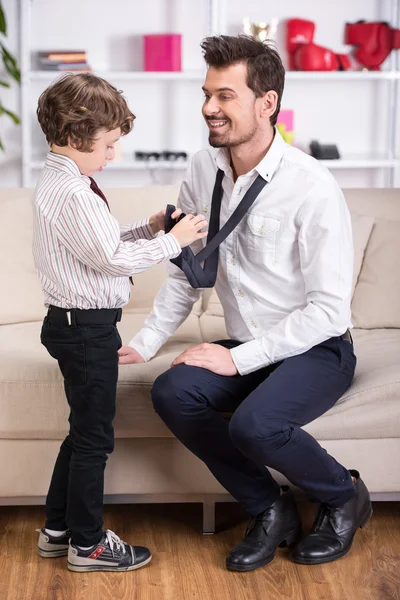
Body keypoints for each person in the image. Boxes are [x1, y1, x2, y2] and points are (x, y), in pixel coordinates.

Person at [118, 35, 373, 572]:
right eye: (207, 93)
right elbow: (190, 267)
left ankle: (342, 495)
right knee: (173, 392)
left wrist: (235, 359)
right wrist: (147, 342)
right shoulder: (200, 168)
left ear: (267, 103)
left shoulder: (311, 185)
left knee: (253, 425)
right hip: (248, 341)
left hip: (317, 347)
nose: (209, 108)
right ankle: (269, 508)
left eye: (225, 95)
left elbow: (329, 311)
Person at [33, 72, 207, 572]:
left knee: (80, 432)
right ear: (72, 134)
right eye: (108, 145)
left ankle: (58, 529)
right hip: (85, 329)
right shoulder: (73, 194)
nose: (112, 155)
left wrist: (150, 228)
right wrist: (174, 241)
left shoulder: (66, 182)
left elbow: (96, 246)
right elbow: (111, 259)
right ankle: (86, 545)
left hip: (75, 325)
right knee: (94, 439)